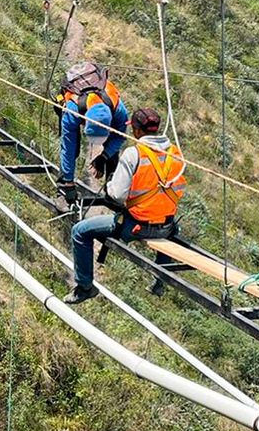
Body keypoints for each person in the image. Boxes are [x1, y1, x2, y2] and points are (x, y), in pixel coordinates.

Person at [64, 106, 186, 305]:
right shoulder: (176, 155)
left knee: (80, 231)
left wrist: (112, 184)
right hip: (165, 226)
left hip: (135, 226)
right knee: (171, 232)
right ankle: (160, 280)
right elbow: (179, 190)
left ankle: (85, 286)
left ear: (137, 130)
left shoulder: (134, 154)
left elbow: (117, 195)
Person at [56, 61, 128, 205]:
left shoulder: (119, 110)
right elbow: (67, 147)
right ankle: (62, 186)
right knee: (73, 148)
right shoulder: (72, 111)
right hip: (71, 102)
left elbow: (120, 136)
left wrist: (104, 157)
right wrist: (69, 183)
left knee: (113, 153)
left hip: (100, 105)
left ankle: (112, 190)